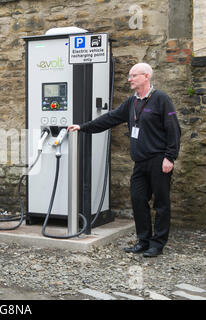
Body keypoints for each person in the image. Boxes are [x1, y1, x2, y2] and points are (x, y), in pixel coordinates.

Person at [67, 62, 181, 257]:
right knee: (138, 200)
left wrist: (169, 157)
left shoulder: (161, 99)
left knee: (161, 203)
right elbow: (110, 118)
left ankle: (157, 244)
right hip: (140, 162)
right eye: (129, 76)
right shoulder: (132, 102)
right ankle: (143, 240)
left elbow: (174, 130)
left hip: (159, 160)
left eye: (133, 76)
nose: (129, 79)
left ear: (146, 76)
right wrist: (83, 127)